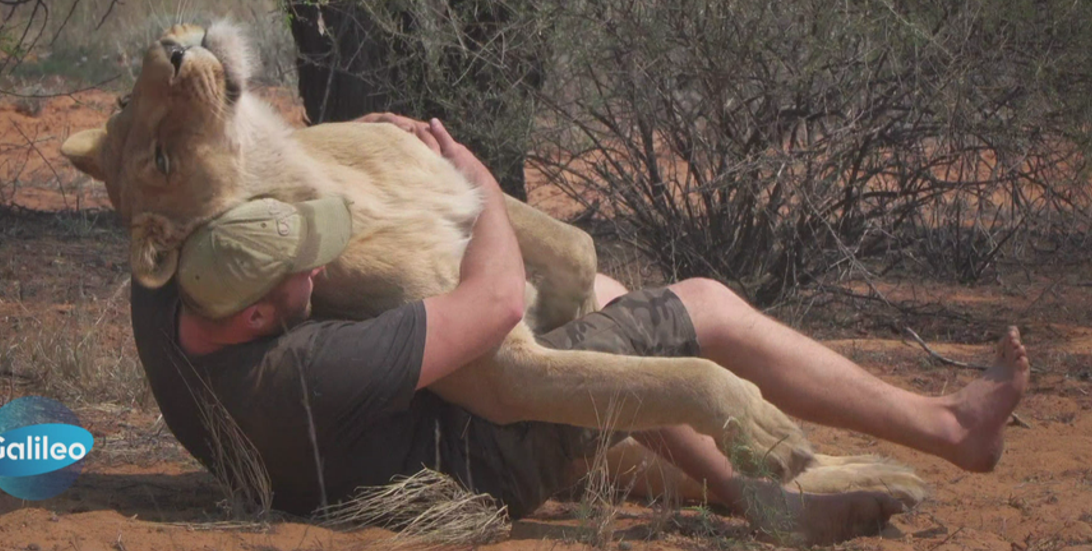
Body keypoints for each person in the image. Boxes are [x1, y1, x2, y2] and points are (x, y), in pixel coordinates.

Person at [130, 117, 1029, 546]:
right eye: (304, 276)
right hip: (479, 459)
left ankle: (757, 498)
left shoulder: (167, 302)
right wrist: (465, 169)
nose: (321, 271)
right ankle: (947, 427)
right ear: (255, 317)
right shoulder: (315, 363)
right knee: (702, 305)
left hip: (391, 447)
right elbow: (500, 338)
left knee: (600, 298)